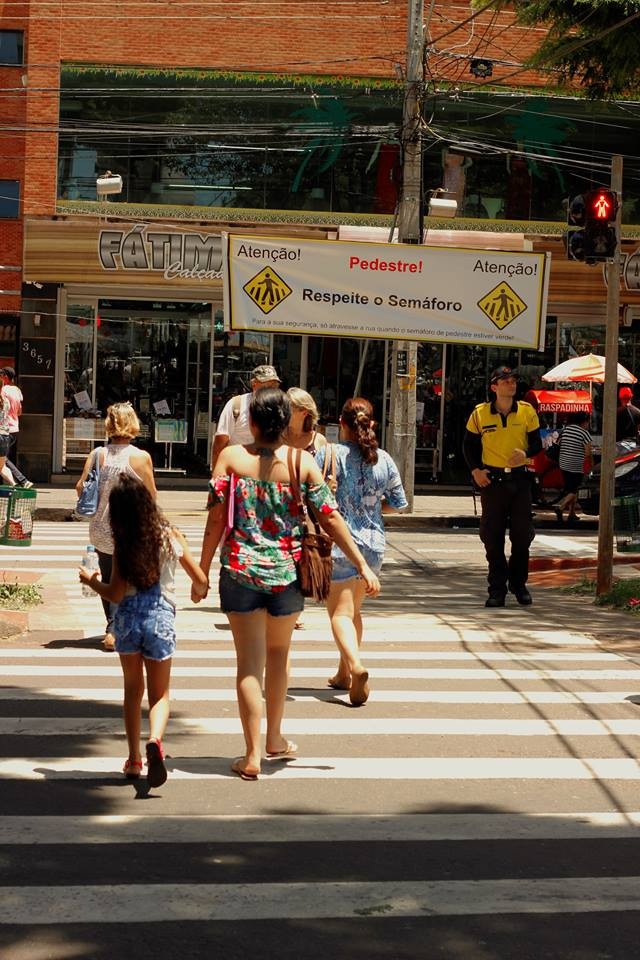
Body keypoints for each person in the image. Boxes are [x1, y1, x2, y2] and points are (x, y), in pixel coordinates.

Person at [193, 387, 380, 781]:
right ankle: (274, 739)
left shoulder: (230, 458)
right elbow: (330, 518)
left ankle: (251, 756)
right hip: (287, 576)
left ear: (254, 423)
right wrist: (362, 563)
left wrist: (202, 570)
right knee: (278, 655)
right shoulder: (302, 464)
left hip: (240, 572)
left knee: (248, 664)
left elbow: (214, 519)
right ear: (285, 424)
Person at [79, 476, 208, 786]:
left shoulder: (125, 543)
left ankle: (135, 760)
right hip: (160, 619)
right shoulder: (169, 536)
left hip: (127, 622)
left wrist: (91, 581)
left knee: (132, 691)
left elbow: (116, 594)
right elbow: (201, 580)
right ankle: (156, 742)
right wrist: (197, 588)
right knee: (160, 693)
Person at [317, 397, 407, 701]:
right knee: (354, 611)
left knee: (339, 614)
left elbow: (315, 499)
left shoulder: (330, 455)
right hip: (373, 545)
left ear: (341, 424)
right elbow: (398, 504)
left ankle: (355, 666)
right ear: (373, 423)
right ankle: (343, 673)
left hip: (341, 544)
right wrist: (372, 510)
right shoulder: (383, 459)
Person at [75, 401, 157, 651]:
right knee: (131, 580)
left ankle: (112, 627)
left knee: (109, 578)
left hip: (100, 528)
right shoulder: (141, 457)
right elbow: (152, 495)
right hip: (129, 531)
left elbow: (80, 487)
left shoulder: (97, 454)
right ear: (133, 424)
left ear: (109, 425)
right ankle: (122, 627)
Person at [463, 366, 542, 608]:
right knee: (492, 537)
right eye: (505, 381)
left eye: (513, 380)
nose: (511, 384)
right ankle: (496, 589)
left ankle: (518, 585)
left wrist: (525, 454)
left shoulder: (527, 412)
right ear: (494, 387)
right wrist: (476, 471)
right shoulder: (479, 414)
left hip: (520, 481)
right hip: (493, 483)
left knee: (522, 536)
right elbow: (468, 447)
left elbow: (538, 445)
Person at [284, 387, 333, 630]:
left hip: (309, 508)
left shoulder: (318, 440)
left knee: (302, 556)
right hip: (283, 503)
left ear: (303, 412)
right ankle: (289, 605)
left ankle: (295, 606)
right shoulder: (280, 436)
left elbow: (323, 476)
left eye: (288, 408)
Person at [210, 364, 281, 470]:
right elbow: (220, 441)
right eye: (266, 385)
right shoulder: (237, 404)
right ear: (254, 384)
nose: (271, 389)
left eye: (274, 385)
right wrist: (217, 475)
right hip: (238, 472)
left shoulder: (281, 407)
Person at [554, 412, 592, 525]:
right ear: (584, 421)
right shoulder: (584, 433)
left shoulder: (566, 430)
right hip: (576, 465)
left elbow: (559, 444)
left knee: (570, 488)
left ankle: (572, 513)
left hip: (563, 463)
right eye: (588, 421)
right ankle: (560, 508)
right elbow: (588, 453)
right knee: (574, 490)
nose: (588, 424)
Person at [0, 367, 33, 488]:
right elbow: (19, 411)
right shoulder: (17, 390)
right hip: (14, 429)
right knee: (3, 458)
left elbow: (2, 406)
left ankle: (22, 481)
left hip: (5, 429)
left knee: (2, 459)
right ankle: (19, 481)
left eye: (1, 375)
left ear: (6, 377)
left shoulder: (4, 390)